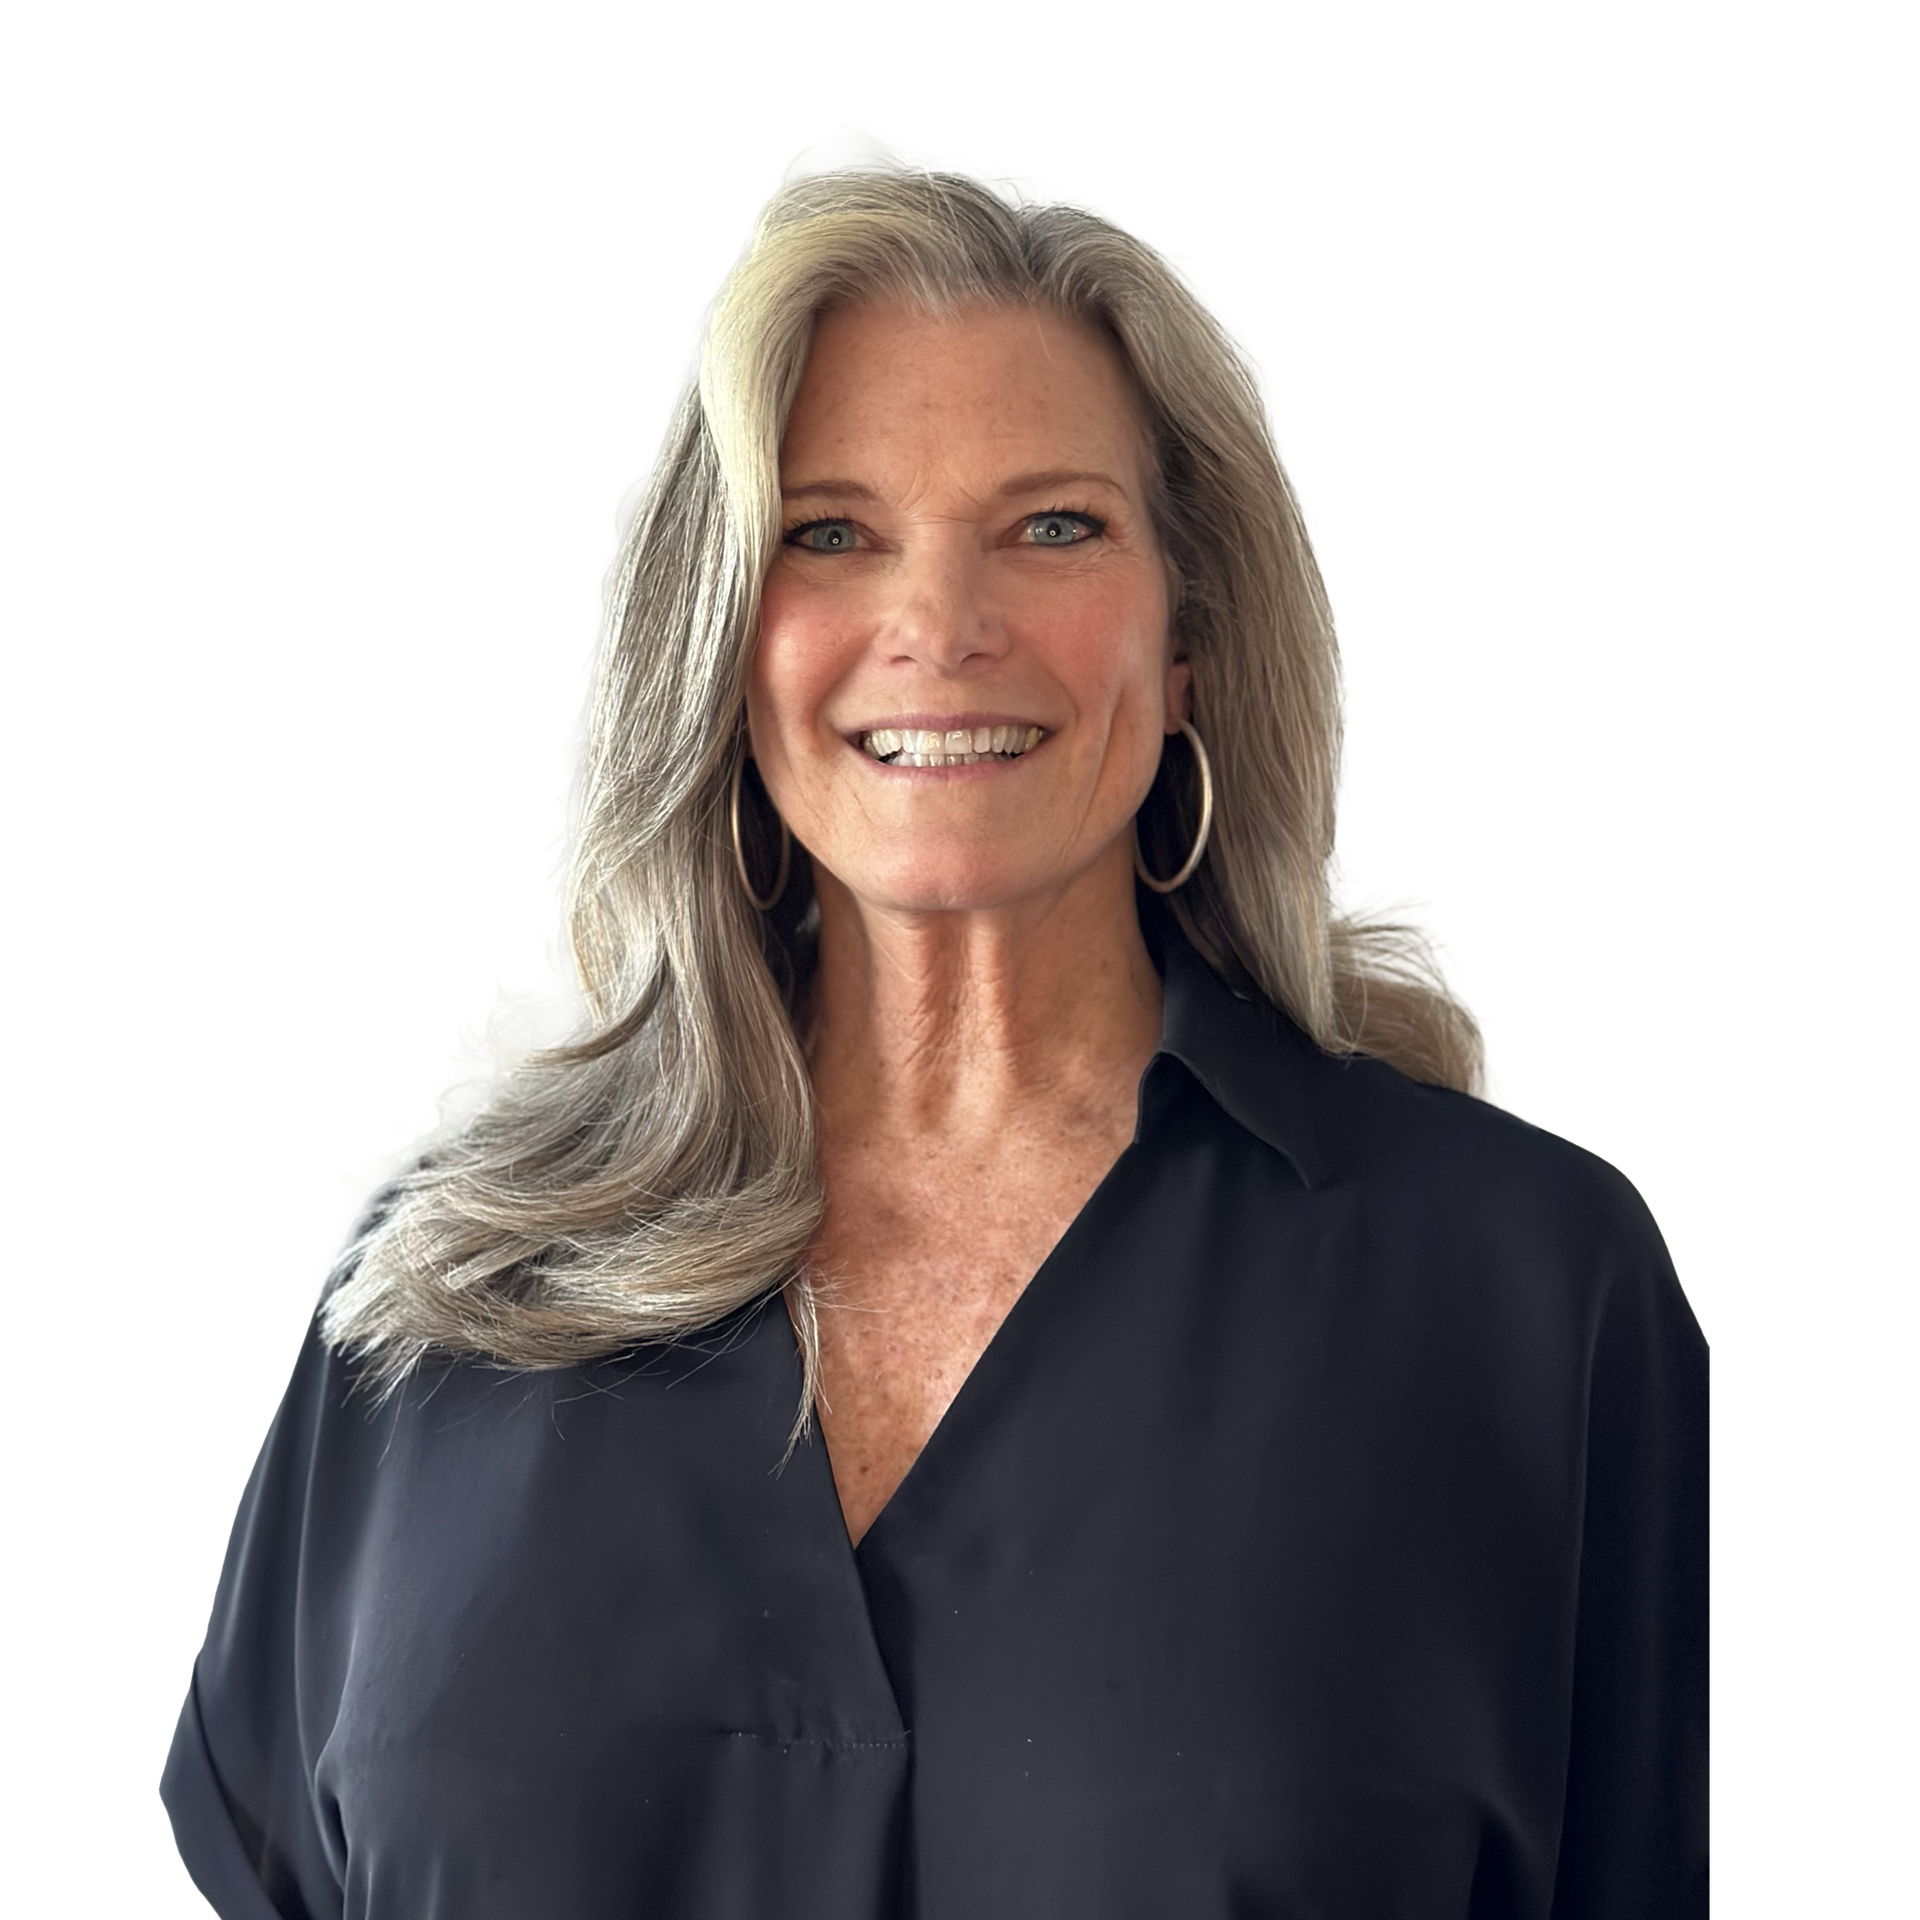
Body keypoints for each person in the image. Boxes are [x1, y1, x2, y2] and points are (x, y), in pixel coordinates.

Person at [158, 117, 1710, 1918]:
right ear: (727, 641)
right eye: (831, 534)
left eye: (1053, 525)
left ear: (1190, 635)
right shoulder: (429, 1312)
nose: (941, 625)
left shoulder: (1527, 1297)